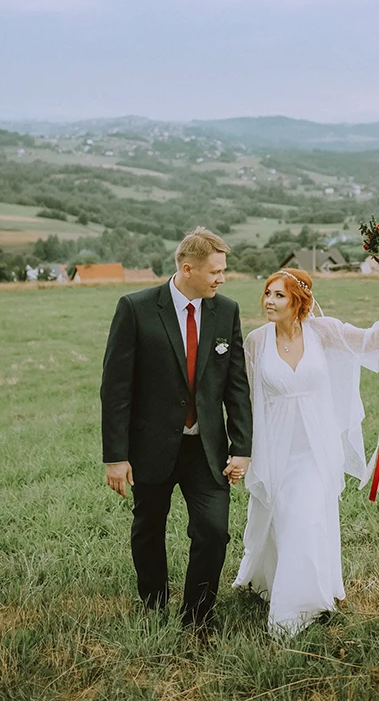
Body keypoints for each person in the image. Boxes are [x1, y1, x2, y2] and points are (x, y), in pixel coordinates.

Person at [232, 268, 379, 636]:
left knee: (306, 519)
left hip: (314, 448)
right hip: (274, 446)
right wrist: (241, 450)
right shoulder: (256, 342)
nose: (269, 301)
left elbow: (374, 341)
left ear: (299, 301)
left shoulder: (323, 332)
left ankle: (295, 611)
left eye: (279, 295)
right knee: (279, 519)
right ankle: (273, 582)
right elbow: (243, 400)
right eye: (268, 293)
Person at [101, 227, 252, 628]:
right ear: (188, 268)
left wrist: (242, 446)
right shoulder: (135, 308)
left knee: (214, 531)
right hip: (150, 445)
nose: (222, 279)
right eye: (215, 271)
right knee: (149, 527)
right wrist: (115, 457)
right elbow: (115, 390)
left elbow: (236, 384)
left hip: (207, 449)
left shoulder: (227, 310)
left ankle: (198, 615)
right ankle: (153, 606)